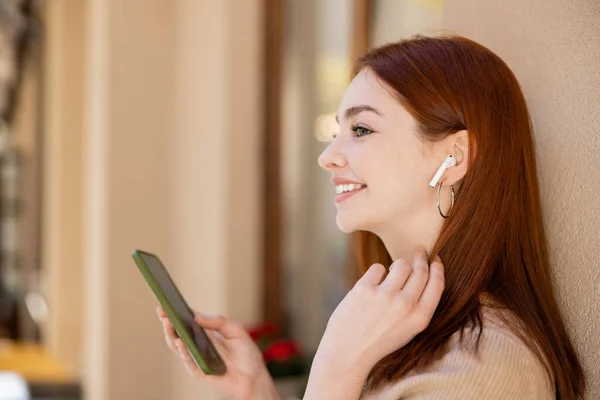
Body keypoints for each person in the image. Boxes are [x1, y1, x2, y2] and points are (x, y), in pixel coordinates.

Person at [157, 35, 586, 399]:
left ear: (455, 156)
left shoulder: (483, 367)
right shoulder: (404, 328)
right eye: (335, 133)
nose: (327, 157)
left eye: (361, 130)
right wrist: (257, 389)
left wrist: (336, 365)